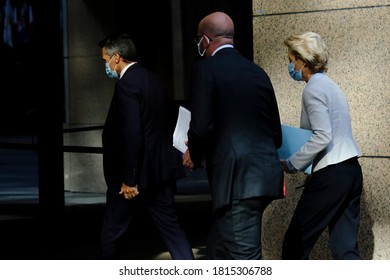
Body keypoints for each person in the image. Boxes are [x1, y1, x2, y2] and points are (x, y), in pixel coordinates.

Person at [182, 11, 285, 260]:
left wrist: (192, 153)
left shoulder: (205, 69)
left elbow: (201, 126)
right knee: (218, 252)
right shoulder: (257, 72)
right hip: (263, 176)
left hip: (237, 183)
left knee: (245, 260)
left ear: (205, 40)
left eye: (198, 40)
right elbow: (276, 134)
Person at [97, 33, 194, 260]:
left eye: (105, 61)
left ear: (117, 58)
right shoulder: (153, 79)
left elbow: (133, 133)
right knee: (172, 230)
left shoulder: (126, 85)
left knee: (111, 233)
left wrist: (130, 178)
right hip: (159, 172)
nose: (105, 66)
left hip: (134, 178)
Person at [280, 32, 363, 260]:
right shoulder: (331, 86)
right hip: (351, 170)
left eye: (290, 60)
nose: (289, 65)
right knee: (345, 249)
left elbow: (322, 136)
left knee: (294, 245)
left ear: (302, 60)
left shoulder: (313, 89)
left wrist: (291, 163)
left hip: (331, 175)